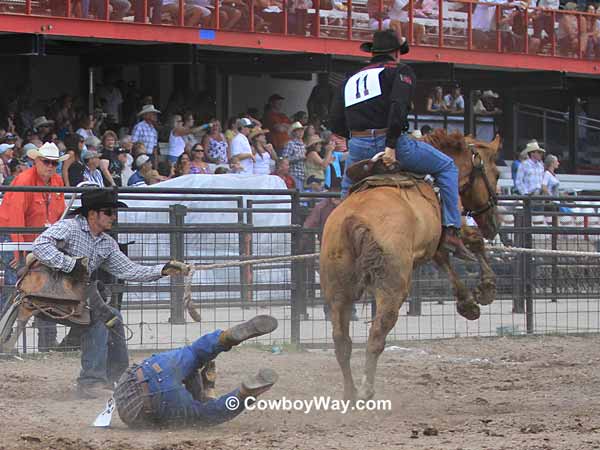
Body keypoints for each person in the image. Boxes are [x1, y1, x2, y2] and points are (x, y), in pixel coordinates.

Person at [329, 29, 476, 262]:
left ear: (373, 52)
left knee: (346, 191)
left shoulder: (350, 79)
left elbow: (335, 119)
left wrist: (353, 141)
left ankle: (335, 239)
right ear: (396, 53)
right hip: (393, 144)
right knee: (447, 167)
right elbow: (398, 108)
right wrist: (390, 146)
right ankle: (451, 229)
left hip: (357, 146)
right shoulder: (400, 72)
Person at [31, 189, 191, 398]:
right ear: (91, 214)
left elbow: (129, 270)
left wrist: (162, 270)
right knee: (100, 318)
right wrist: (70, 265)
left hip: (74, 298)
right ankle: (90, 382)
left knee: (113, 316)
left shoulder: (106, 243)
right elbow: (40, 245)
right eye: (108, 212)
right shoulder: (68, 228)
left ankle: (114, 378)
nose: (113, 217)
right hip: (49, 294)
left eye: (114, 212)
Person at [114, 315, 279, 427]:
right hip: (152, 369)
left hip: (149, 394)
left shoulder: (183, 391)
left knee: (207, 413)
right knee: (194, 352)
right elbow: (198, 397)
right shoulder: (187, 379)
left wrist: (208, 388)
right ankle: (223, 338)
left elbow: (201, 402)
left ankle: (243, 394)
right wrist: (208, 388)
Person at [0, 142, 68, 351]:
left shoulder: (57, 181)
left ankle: (46, 342)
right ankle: (3, 341)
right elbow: (14, 217)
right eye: (46, 162)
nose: (50, 166)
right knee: (14, 289)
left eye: (54, 163)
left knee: (48, 288)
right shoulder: (24, 181)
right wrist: (18, 251)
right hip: (16, 238)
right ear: (36, 161)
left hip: (42, 242)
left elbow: (60, 214)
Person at [281, 122, 306, 190]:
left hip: (302, 174)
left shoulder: (303, 145)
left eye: (302, 131)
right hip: (294, 174)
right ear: (294, 132)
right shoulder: (290, 144)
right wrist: (298, 158)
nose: (301, 133)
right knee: (297, 196)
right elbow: (284, 159)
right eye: (298, 131)